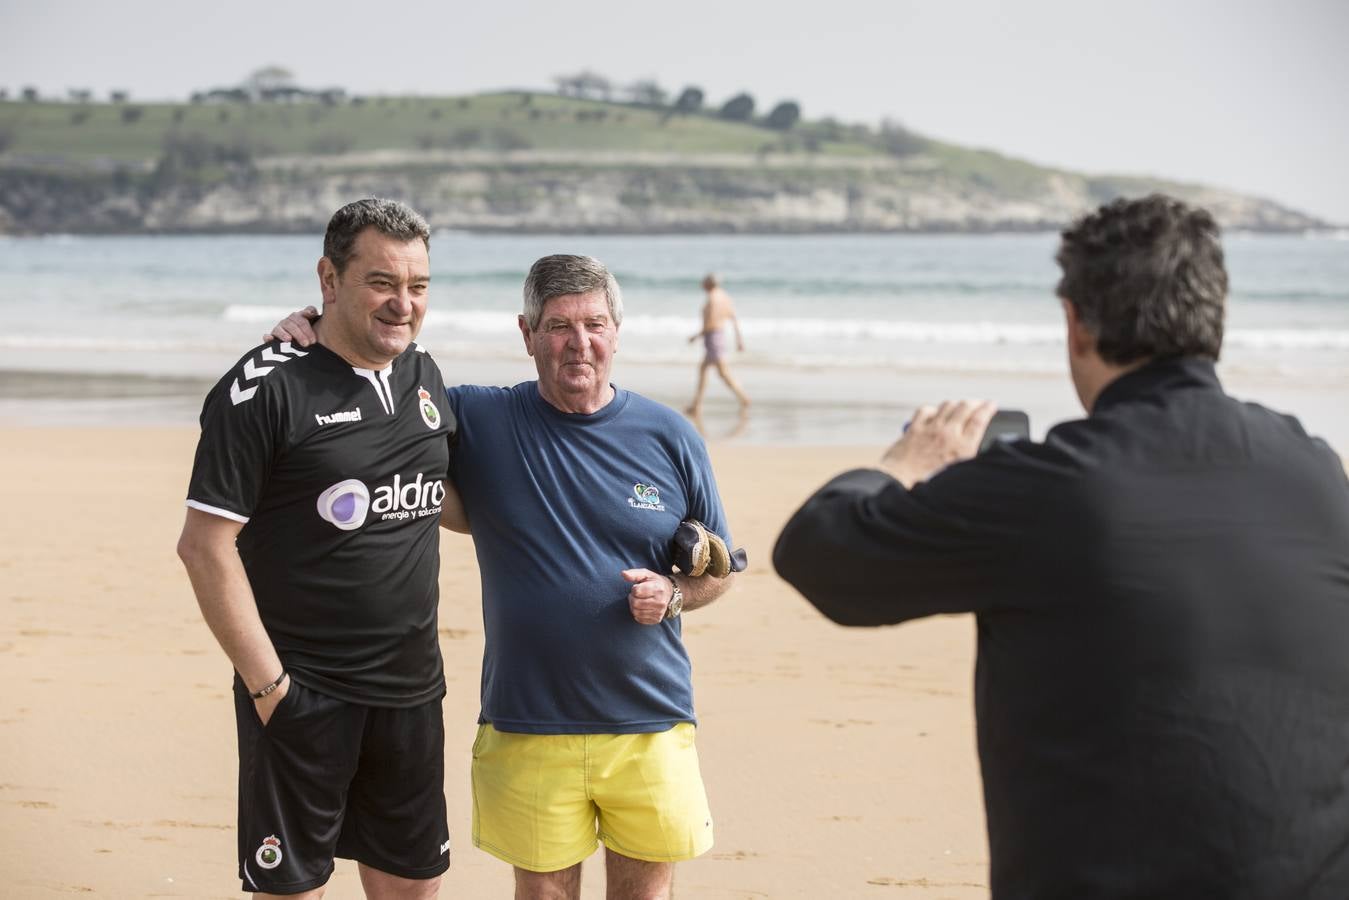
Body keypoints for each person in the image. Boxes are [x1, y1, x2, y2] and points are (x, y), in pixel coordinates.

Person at [773, 195, 1349, 898]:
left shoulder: (1050, 488)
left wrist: (909, 461)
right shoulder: (1316, 472)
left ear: (1075, 324)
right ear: (1213, 317)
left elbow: (819, 552)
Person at [271, 254, 740, 900]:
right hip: (528, 722)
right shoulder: (479, 419)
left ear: (616, 332)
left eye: (595, 325)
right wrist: (311, 336)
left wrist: (676, 593)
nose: (579, 343)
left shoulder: (670, 436)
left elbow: (722, 567)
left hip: (650, 722)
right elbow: (373, 392)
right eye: (558, 327)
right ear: (526, 334)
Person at [178, 199, 459, 898]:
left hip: (411, 693)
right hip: (304, 694)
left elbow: (449, 498)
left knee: (414, 887)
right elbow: (205, 547)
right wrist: (272, 691)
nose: (403, 304)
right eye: (381, 282)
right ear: (328, 280)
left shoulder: (422, 375)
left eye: (418, 286)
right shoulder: (263, 387)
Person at [685, 273, 750, 417]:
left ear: (708, 284)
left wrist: (696, 336)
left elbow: (710, 323)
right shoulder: (724, 296)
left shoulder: (712, 299)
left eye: (703, 282)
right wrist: (739, 340)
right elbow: (733, 318)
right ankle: (697, 405)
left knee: (723, 373)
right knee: (708, 371)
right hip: (719, 336)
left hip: (713, 337)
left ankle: (744, 398)